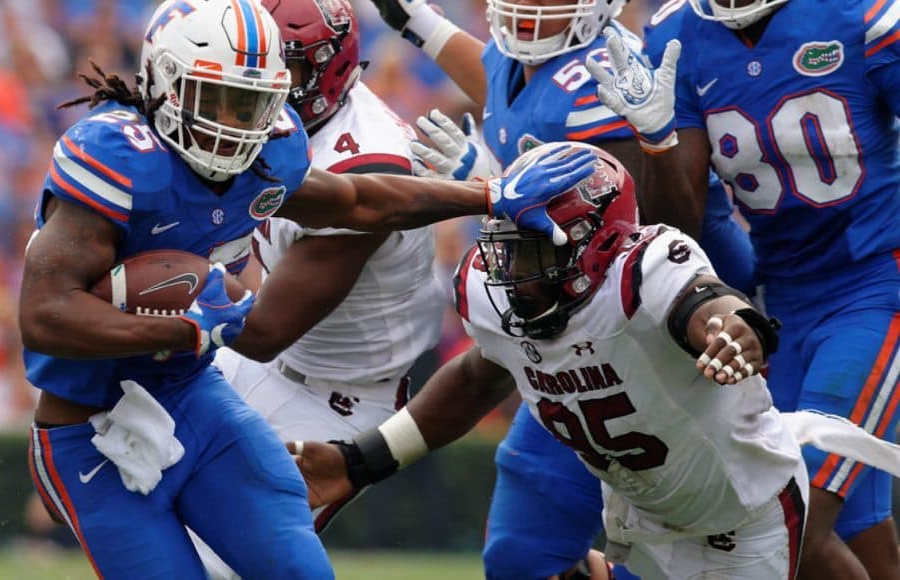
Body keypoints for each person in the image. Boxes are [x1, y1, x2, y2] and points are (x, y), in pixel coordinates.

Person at [18, 0, 595, 577]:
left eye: (252, 102)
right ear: (168, 84)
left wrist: (487, 195)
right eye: (219, 98)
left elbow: (359, 201)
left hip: (197, 394)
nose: (236, 122)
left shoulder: (268, 150)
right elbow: (43, 317)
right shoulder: (115, 160)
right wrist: (188, 328)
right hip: (89, 422)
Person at [290, 141, 814, 579]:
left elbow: (706, 302)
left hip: (742, 518)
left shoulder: (644, 269)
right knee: (521, 562)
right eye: (506, 246)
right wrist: (360, 462)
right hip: (641, 512)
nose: (510, 269)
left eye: (532, 249)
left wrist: (734, 334)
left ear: (598, 243)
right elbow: (478, 377)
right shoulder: (492, 294)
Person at [363, 0, 752, 577]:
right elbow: (497, 80)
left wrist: (487, 183)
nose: (529, 10)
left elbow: (625, 231)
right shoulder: (513, 61)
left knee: (715, 552)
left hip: (674, 332)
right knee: (521, 558)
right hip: (577, 341)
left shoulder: (603, 73)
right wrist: (414, 21)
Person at [587, 0, 900, 577]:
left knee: (792, 517)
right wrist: (656, 141)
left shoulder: (865, 17)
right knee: (843, 519)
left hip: (875, 284)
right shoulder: (678, 33)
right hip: (776, 300)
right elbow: (681, 224)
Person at [193, 0, 446, 577]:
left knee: (215, 563)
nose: (267, 86)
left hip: (338, 393)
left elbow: (263, 331)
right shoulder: (286, 125)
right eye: (255, 67)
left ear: (332, 68)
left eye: (287, 70)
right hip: (272, 360)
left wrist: (174, 280)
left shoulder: (363, 158)